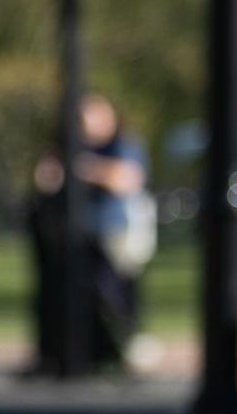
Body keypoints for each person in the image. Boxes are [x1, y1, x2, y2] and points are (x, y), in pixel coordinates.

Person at [27, 92, 154, 374]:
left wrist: (83, 169)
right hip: (74, 236)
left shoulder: (122, 146)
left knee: (113, 294)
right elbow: (45, 180)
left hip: (112, 232)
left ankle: (123, 347)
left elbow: (127, 179)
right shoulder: (65, 148)